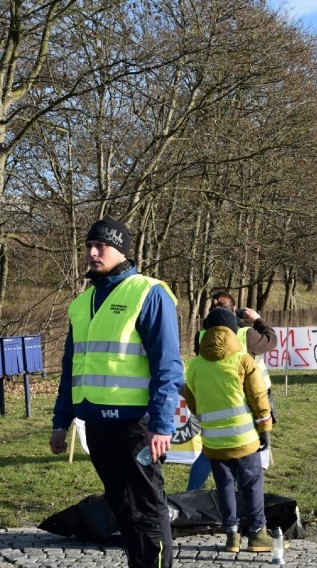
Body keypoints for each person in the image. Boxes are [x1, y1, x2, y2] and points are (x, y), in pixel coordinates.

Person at [49, 218, 183, 568]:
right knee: (122, 509)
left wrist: (162, 424)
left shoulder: (148, 292)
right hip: (97, 426)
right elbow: (72, 367)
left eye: (101, 246)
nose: (93, 253)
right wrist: (60, 421)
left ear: (121, 249)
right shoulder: (81, 304)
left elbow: (168, 367)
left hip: (138, 429)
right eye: (89, 246)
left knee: (148, 510)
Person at [182, 308, 274, 553]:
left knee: (224, 487)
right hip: (245, 439)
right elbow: (258, 397)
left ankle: (231, 536)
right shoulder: (243, 359)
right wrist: (265, 428)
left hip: (213, 442)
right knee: (251, 484)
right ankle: (257, 535)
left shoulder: (194, 365)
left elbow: (192, 402)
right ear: (235, 331)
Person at [187, 291, 277, 491]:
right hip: (246, 399)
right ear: (234, 311)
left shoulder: (201, 335)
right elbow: (271, 340)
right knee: (244, 452)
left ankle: (192, 492)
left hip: (214, 397)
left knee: (208, 451)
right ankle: (241, 498)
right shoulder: (246, 334)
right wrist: (257, 319)